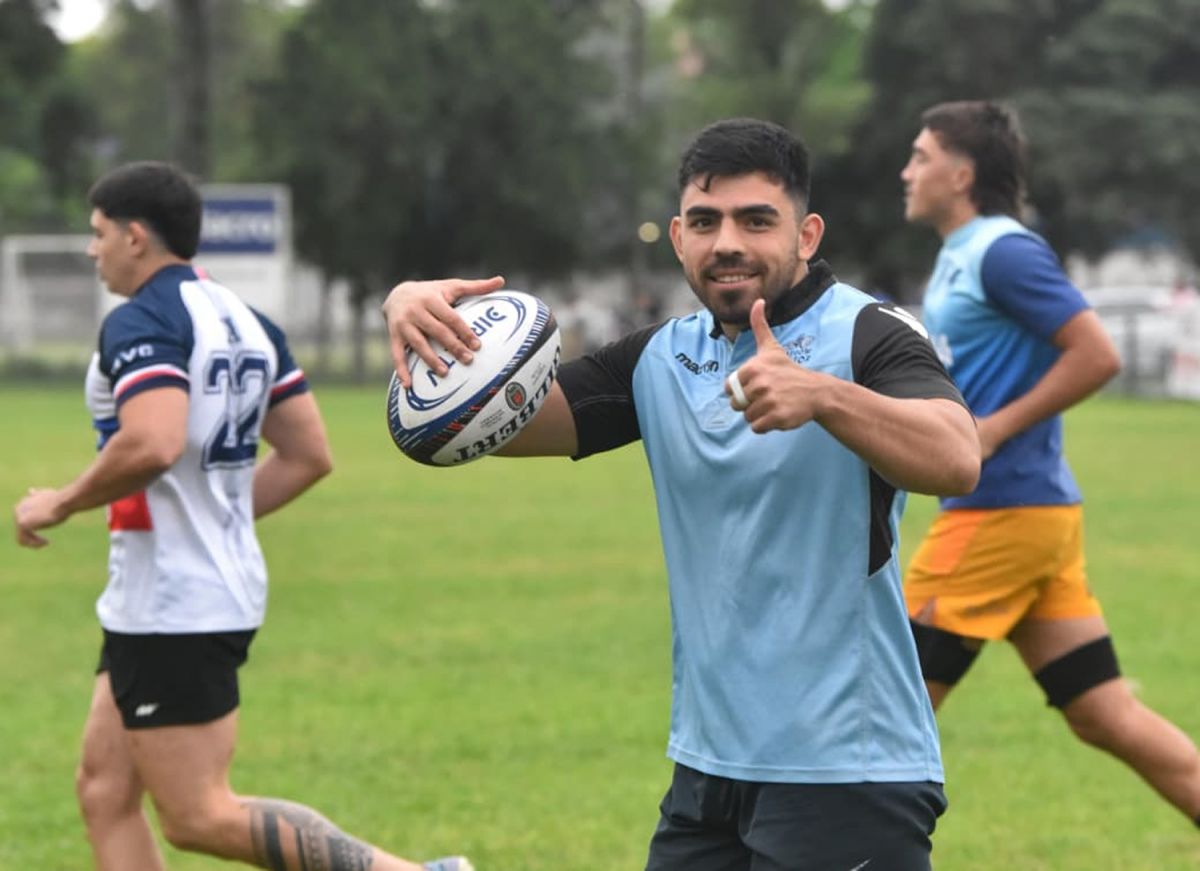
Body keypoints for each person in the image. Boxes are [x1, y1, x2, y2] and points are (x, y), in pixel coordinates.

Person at [382, 118, 981, 870]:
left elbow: (957, 457)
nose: (726, 242)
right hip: (708, 771)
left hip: (846, 769)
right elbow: (491, 423)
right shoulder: (659, 358)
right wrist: (417, 313)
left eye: (756, 220)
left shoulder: (868, 332)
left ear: (806, 235)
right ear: (677, 237)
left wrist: (823, 395)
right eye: (704, 221)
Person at [12, 162, 472, 871]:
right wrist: (216, 517)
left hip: (174, 604)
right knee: (104, 791)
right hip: (174, 596)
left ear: (135, 237)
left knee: (199, 815)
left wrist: (62, 500)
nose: (91, 249)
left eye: (98, 233)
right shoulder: (246, 320)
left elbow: (154, 441)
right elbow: (307, 454)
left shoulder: (140, 320)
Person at [900, 100, 1200, 826]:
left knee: (881, 707)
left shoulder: (1003, 251)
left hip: (998, 515)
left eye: (921, 156)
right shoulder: (961, 254)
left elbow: (1097, 353)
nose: (906, 171)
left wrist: (992, 430)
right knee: (1104, 713)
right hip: (1034, 518)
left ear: (962, 174)